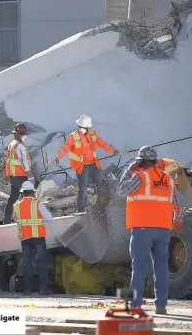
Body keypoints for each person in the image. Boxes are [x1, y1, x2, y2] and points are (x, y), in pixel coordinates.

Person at [119, 145, 184, 315]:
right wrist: (178, 219)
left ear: (140, 161)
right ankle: (161, 306)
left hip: (142, 229)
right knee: (161, 267)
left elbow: (122, 190)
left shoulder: (140, 176)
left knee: (139, 268)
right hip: (163, 229)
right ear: (155, 161)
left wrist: (128, 170)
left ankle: (135, 307)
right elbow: (179, 202)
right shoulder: (168, 179)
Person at [54, 114, 119, 212]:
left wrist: (112, 150)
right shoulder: (73, 136)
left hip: (94, 164)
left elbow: (101, 143)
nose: (82, 129)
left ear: (88, 127)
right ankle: (81, 210)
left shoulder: (92, 133)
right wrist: (58, 157)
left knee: (102, 185)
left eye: (84, 127)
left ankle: (104, 206)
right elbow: (65, 148)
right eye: (80, 127)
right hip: (82, 166)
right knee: (83, 189)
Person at [13, 180, 54, 295]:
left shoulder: (16, 206)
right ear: (33, 192)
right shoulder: (37, 203)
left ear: (22, 193)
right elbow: (49, 218)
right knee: (42, 262)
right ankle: (43, 289)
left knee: (27, 264)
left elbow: (16, 221)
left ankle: (27, 290)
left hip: (25, 239)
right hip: (38, 238)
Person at [4, 123, 35, 225]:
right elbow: (24, 161)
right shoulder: (20, 146)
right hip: (21, 176)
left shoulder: (12, 144)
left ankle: (7, 220)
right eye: (22, 133)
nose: (24, 135)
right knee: (26, 198)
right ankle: (26, 220)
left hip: (14, 176)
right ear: (17, 134)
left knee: (13, 198)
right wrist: (30, 174)